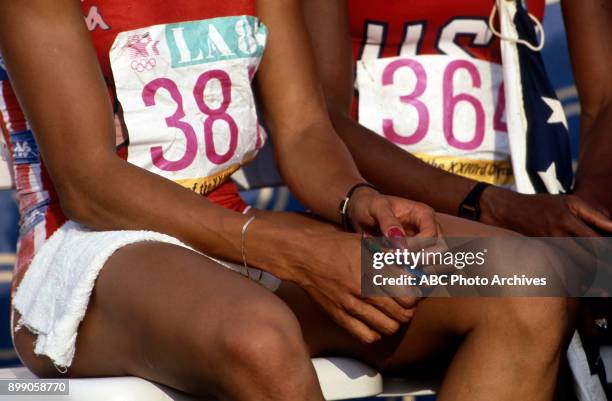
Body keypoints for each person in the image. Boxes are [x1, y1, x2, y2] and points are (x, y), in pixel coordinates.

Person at [0, 1, 576, 400]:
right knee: (260, 339)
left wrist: (359, 201)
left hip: (241, 238)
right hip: (88, 251)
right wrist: (292, 253)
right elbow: (89, 184)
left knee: (527, 280)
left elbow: (303, 130)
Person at [300, 0, 612, 237]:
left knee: (557, 283)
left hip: (524, 209)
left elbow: (604, 101)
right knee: (526, 289)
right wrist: (493, 208)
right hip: (375, 218)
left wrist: (588, 223)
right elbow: (322, 120)